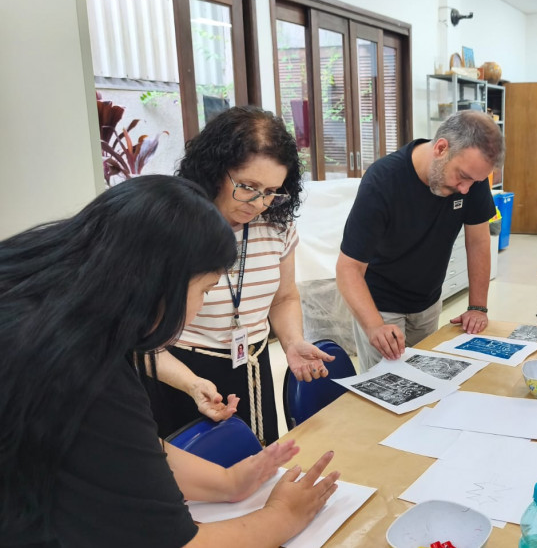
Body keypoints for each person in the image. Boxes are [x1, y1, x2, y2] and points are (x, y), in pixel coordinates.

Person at [0, 176, 339, 547]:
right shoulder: (80, 366)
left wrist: (228, 483)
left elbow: (127, 447)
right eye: (205, 290)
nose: (195, 312)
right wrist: (284, 515)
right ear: (161, 281)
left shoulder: (45, 302)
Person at [152, 106, 334, 445]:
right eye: (248, 186)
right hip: (184, 372)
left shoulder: (276, 223)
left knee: (258, 464)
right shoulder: (172, 226)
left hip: (252, 362)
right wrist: (190, 383)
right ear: (214, 170)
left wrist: (293, 341)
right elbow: (140, 340)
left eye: (271, 191)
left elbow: (284, 297)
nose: (259, 202)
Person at [336, 110, 503, 371]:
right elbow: (348, 268)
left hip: (428, 301)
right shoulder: (383, 180)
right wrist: (374, 326)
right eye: (463, 177)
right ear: (441, 148)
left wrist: (478, 306)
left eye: (474, 181)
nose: (465, 189)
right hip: (380, 305)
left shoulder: (471, 178)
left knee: (424, 380)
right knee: (386, 389)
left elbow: (479, 241)